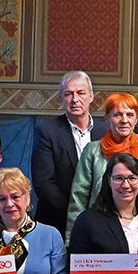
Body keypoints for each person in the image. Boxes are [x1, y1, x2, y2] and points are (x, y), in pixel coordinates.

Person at [67, 91, 138, 235]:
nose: (124, 120)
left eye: (130, 115)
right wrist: (72, 238)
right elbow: (78, 197)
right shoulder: (92, 151)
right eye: (117, 115)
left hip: (137, 228)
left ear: (136, 119)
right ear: (107, 118)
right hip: (98, 227)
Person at [31, 70, 103, 229]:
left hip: (100, 219)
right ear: (61, 98)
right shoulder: (47, 132)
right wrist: (75, 214)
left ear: (91, 96)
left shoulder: (105, 132)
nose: (75, 99)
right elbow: (44, 183)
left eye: (81, 93)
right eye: (68, 94)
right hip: (57, 221)